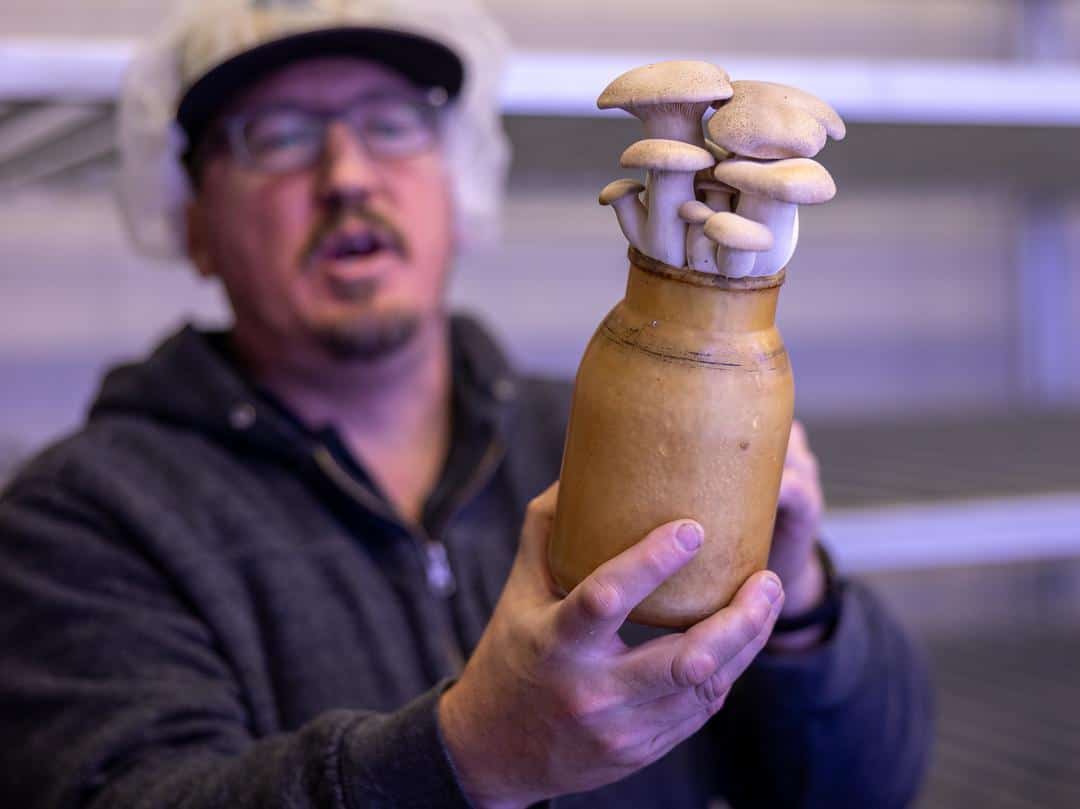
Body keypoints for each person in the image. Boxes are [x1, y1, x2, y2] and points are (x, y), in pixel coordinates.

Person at [0, 1, 933, 807]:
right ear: (192, 220)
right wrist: (467, 759)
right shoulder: (81, 521)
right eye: (276, 133)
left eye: (393, 121)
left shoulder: (577, 431)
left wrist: (801, 609)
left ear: (460, 182)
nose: (347, 175)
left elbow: (865, 786)